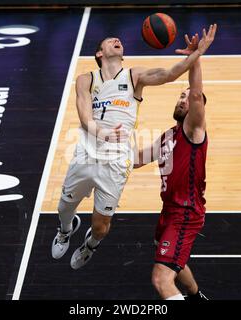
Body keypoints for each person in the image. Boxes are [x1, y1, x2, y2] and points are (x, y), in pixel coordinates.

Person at [52, 28, 215, 270]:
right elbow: (85, 115)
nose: (117, 39)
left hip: (116, 162)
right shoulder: (86, 79)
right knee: (64, 207)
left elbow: (169, 74)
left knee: (100, 227)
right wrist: (102, 132)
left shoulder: (134, 76)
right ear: (100, 53)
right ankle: (65, 230)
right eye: (110, 40)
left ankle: (90, 245)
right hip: (87, 153)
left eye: (118, 40)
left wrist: (197, 54)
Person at [134, 24, 217, 300]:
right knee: (163, 249)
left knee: (161, 279)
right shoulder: (167, 136)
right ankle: (196, 295)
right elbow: (135, 160)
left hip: (185, 213)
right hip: (169, 210)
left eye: (187, 99)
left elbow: (195, 94)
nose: (183, 100)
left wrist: (196, 57)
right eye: (179, 96)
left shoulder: (194, 132)